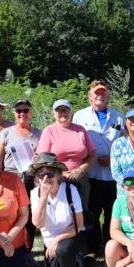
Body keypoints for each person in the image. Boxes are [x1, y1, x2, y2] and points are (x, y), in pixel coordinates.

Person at [72, 80, 125, 260]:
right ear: (90, 95)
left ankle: (111, 249)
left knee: (113, 215)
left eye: (103, 92)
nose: (100, 95)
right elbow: (75, 144)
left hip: (113, 175)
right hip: (90, 175)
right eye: (96, 93)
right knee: (91, 213)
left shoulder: (118, 117)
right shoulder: (79, 116)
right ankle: (92, 250)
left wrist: (113, 159)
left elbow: (126, 143)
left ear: (107, 94)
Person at [37, 99, 96, 251]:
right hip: (57, 179)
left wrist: (82, 169)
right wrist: (62, 173)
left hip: (80, 177)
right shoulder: (49, 131)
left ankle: (85, 249)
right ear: (54, 113)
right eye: (59, 110)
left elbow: (92, 154)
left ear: (71, 112)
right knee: (62, 214)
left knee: (83, 212)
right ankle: (60, 245)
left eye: (66, 110)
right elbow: (43, 159)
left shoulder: (80, 130)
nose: (63, 113)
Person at [29, 153, 85, 267]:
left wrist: (57, 240)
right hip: (50, 243)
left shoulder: (70, 190)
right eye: (41, 175)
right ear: (36, 178)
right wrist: (43, 197)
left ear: (58, 174)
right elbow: (37, 224)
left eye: (50, 174)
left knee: (63, 250)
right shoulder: (35, 194)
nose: (46, 179)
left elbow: (79, 225)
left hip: (72, 235)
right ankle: (74, 265)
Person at [0, 99, 42, 267]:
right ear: (14, 114)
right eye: (18, 111)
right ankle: (7, 248)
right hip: (10, 178)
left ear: (31, 112)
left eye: (25, 110)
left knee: (29, 215)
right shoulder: (6, 133)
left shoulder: (39, 133)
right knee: (9, 214)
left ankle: (27, 252)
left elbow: (44, 157)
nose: (22, 113)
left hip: (32, 179)